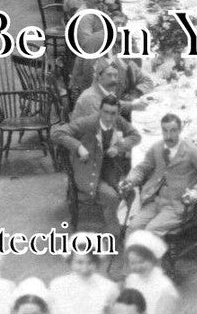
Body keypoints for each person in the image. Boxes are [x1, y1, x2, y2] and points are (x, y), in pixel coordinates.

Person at [52, 95, 141, 224]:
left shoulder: (118, 121)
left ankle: (124, 226)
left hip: (109, 169)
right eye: (105, 112)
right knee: (112, 198)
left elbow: (135, 135)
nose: (109, 118)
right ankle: (112, 234)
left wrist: (118, 147)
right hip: (88, 172)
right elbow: (57, 133)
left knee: (131, 192)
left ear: (118, 114)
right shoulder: (88, 123)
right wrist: (78, 146)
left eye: (113, 113)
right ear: (99, 110)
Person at [122, 230, 180, 314]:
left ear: (152, 259)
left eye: (142, 262)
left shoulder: (165, 288)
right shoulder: (132, 280)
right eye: (133, 263)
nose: (137, 267)